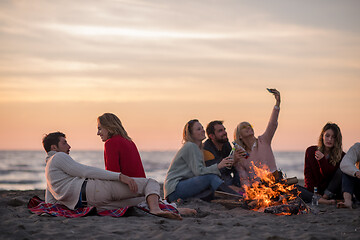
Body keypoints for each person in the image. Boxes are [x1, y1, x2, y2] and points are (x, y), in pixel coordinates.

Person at [42, 131, 181, 220]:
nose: (69, 146)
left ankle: (176, 209)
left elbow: (50, 202)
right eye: (64, 143)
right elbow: (85, 171)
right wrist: (120, 176)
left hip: (86, 204)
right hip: (93, 191)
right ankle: (156, 210)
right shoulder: (59, 157)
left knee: (140, 201)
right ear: (54, 148)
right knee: (150, 183)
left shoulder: (49, 168)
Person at [164, 119, 240, 202]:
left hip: (180, 189)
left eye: (202, 128)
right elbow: (199, 172)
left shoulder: (198, 148)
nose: (203, 131)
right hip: (174, 189)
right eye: (198, 129)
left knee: (211, 191)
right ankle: (238, 198)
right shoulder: (190, 146)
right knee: (211, 178)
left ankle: (236, 198)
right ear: (191, 134)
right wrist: (219, 166)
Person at [233, 88, 280, 188]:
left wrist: (277, 104)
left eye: (250, 126)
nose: (249, 127)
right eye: (244, 127)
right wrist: (249, 191)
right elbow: (244, 177)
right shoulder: (241, 154)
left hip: (274, 182)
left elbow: (272, 124)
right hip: (258, 189)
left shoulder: (264, 140)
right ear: (239, 136)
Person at [304, 122, 345, 204]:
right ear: (322, 136)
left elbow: (328, 176)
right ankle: (321, 200)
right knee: (293, 188)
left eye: (333, 137)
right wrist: (313, 192)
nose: (329, 139)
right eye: (327, 136)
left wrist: (322, 160)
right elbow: (308, 175)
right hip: (314, 192)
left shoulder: (342, 156)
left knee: (342, 170)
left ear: (337, 140)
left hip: (331, 192)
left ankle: (324, 199)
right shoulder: (311, 151)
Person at [97, 113, 146, 178]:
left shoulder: (111, 143)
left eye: (100, 129)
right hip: (141, 184)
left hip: (128, 186)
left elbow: (112, 174)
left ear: (109, 127)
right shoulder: (129, 141)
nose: (98, 133)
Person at [203, 120, 242, 192]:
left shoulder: (225, 144)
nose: (225, 132)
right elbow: (216, 171)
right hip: (215, 182)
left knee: (241, 169)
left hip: (227, 178)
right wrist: (233, 161)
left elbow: (231, 168)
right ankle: (240, 192)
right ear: (212, 136)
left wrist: (237, 160)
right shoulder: (206, 150)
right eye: (220, 131)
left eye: (224, 129)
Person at [339, 142, 360, 208]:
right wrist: (356, 172)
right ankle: (347, 201)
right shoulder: (358, 147)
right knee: (348, 171)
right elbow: (345, 163)